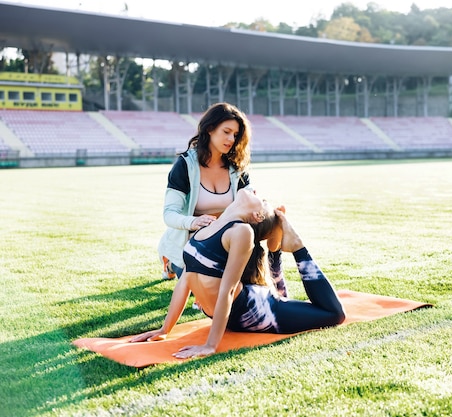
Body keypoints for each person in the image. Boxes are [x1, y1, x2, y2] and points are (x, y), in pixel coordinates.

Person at [131, 189, 346, 359]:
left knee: (334, 314)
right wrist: (164, 329)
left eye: (262, 200)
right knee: (287, 301)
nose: (256, 194)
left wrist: (210, 346)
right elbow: (186, 280)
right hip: (237, 314)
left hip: (258, 310)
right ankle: (277, 249)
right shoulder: (206, 227)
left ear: (257, 215)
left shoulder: (243, 232)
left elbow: (228, 289)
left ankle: (297, 246)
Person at [158, 102, 288, 298]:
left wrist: (262, 213)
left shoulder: (235, 166)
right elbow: (169, 214)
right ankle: (170, 260)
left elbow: (250, 196)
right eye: (226, 131)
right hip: (194, 241)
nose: (231, 139)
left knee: (277, 220)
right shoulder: (185, 165)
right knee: (203, 292)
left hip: (227, 238)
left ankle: (278, 283)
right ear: (210, 129)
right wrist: (194, 221)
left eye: (235, 135)